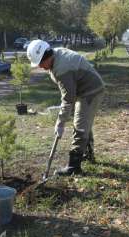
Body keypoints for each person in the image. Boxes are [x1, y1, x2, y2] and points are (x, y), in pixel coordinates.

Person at [26, 40, 105, 176]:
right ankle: (88, 153)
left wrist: (60, 122)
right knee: (84, 123)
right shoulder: (56, 54)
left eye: (40, 63)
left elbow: (68, 99)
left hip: (90, 91)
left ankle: (74, 167)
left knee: (80, 126)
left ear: (46, 57)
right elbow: (69, 93)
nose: (40, 67)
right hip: (85, 89)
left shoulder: (62, 68)